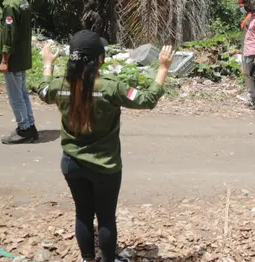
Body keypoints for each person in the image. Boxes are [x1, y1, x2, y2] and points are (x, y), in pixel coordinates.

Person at [37, 31, 175, 262]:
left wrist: (47, 63)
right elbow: (147, 99)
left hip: (71, 163)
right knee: (106, 217)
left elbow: (43, 89)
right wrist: (162, 68)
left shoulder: (60, 86)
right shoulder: (111, 87)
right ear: (99, 60)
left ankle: (88, 259)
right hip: (105, 166)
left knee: (82, 213)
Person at [0, 0, 37, 145]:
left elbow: (9, 34)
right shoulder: (23, 2)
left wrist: (4, 60)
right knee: (23, 93)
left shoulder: (10, 5)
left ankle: (24, 129)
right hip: (22, 55)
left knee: (15, 96)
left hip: (13, 58)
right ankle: (30, 126)